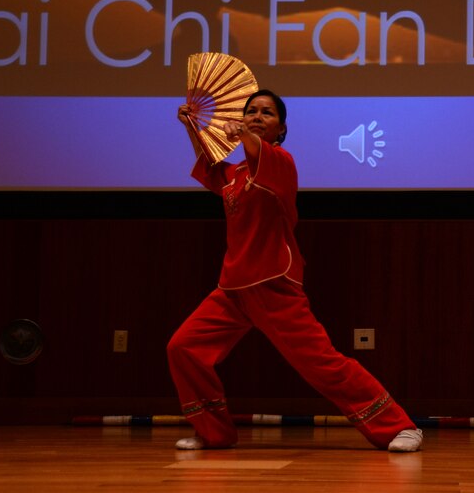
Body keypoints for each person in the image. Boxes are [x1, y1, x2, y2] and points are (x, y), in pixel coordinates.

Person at [168, 89, 423, 452]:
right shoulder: (234, 174)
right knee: (183, 348)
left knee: (320, 363)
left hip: (274, 283)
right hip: (234, 287)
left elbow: (254, 146)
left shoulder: (280, 162)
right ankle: (214, 433)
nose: (257, 116)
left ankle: (399, 426)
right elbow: (209, 164)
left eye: (266, 113)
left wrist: (241, 132)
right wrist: (192, 124)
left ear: (281, 128)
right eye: (251, 110)